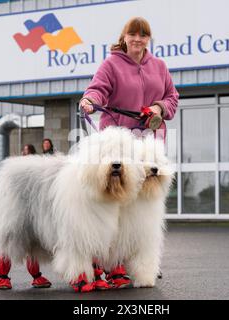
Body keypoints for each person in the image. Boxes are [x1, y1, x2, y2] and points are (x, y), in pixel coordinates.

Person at [79, 17, 179, 290]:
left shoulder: (159, 66)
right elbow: (98, 89)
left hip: (149, 144)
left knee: (146, 209)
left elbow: (172, 97)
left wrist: (158, 108)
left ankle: (144, 262)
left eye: (143, 35)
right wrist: (90, 101)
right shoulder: (111, 64)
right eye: (132, 34)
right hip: (120, 144)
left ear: (148, 39)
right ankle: (114, 265)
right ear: (124, 37)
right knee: (118, 204)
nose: (138, 39)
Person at [0, 143, 52, 290]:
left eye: (26, 151)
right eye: (23, 151)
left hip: (32, 211)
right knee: (9, 240)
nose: (23, 153)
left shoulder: (34, 170)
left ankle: (36, 276)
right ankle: (2, 277)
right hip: (14, 211)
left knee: (33, 244)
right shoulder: (13, 172)